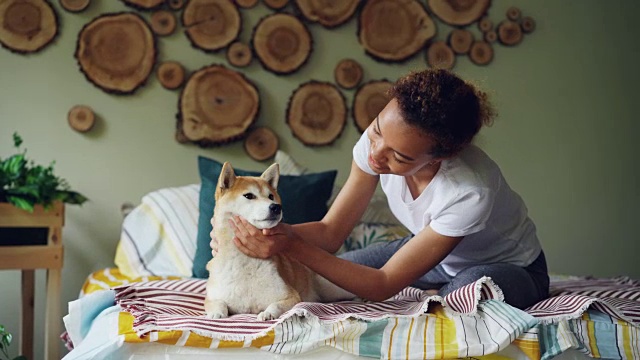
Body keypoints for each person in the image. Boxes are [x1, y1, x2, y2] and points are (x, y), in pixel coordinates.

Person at [216, 69, 549, 310]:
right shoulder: (377, 146)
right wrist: (254, 237)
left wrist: (288, 245)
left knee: (461, 295)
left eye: (399, 157)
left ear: (442, 156)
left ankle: (432, 291)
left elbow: (382, 285)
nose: (376, 154)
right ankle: (426, 285)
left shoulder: (469, 190)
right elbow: (330, 232)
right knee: (328, 280)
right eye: (376, 132)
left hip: (513, 267)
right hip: (430, 253)